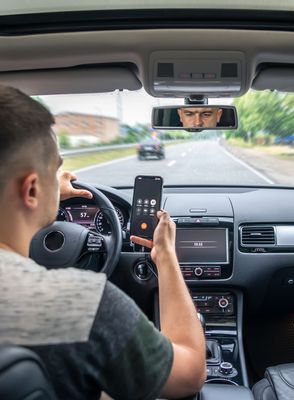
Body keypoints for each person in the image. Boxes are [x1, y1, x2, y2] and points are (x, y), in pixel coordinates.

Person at [0, 85, 206, 399]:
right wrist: (165, 255)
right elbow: (190, 374)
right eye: (54, 169)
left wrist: (46, 188)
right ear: (31, 190)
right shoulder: (80, 304)